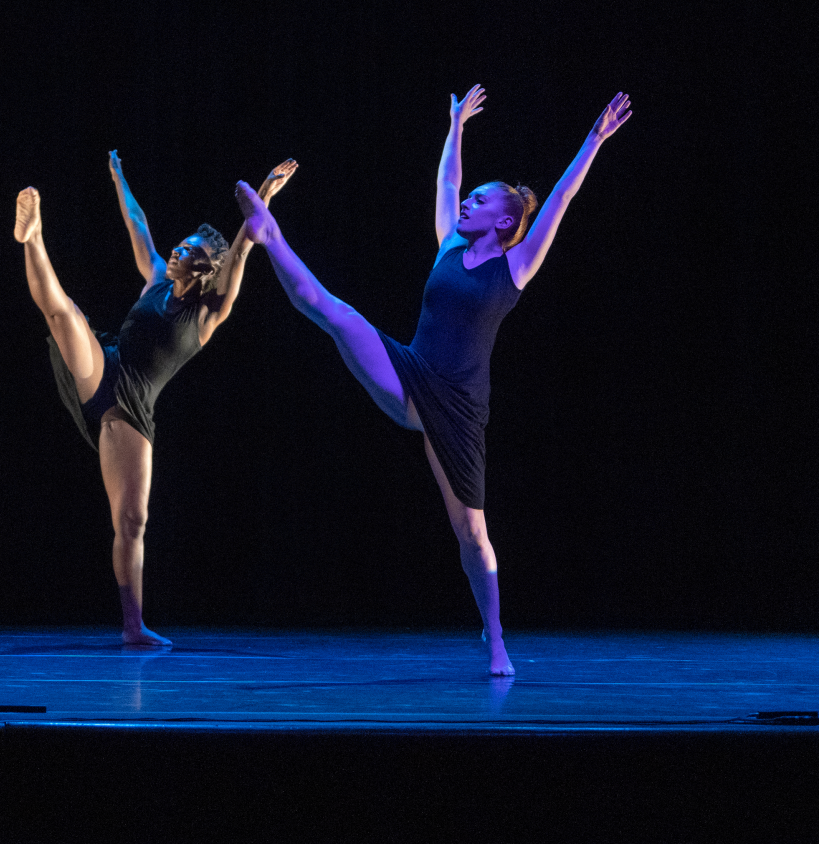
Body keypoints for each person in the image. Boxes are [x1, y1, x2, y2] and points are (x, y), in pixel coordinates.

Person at [234, 87, 632, 674]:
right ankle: (270, 235)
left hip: (461, 408)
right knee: (337, 314)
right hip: (411, 372)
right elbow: (447, 184)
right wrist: (454, 127)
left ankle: (494, 636)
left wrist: (593, 140)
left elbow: (563, 197)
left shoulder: (516, 265)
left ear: (507, 219)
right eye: (469, 198)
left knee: (473, 535)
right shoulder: (449, 242)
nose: (466, 203)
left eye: (480, 201)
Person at [15, 152, 298, 646]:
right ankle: (32, 239)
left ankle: (132, 627)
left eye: (188, 249)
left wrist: (265, 196)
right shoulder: (155, 281)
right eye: (180, 243)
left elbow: (242, 250)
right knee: (65, 316)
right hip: (104, 368)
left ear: (206, 266)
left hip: (133, 407)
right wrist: (119, 176)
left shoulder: (209, 313)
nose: (175, 250)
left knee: (132, 521)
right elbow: (138, 222)